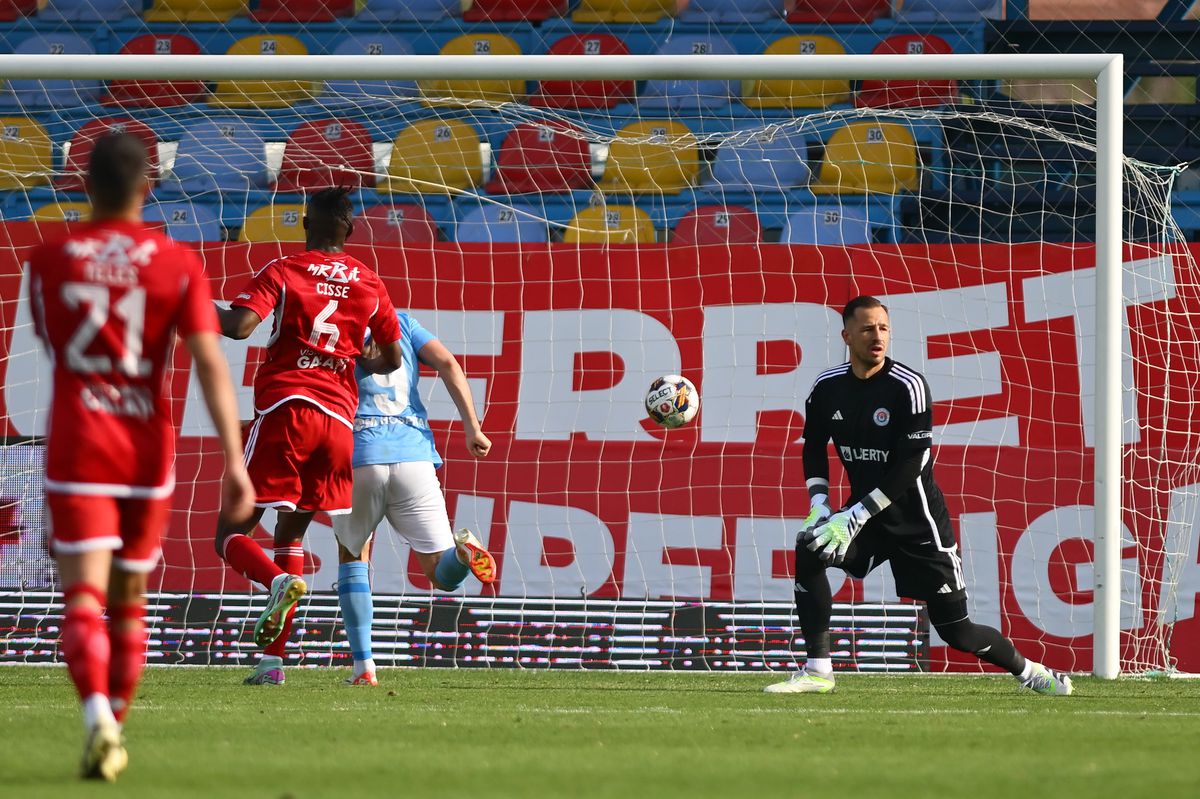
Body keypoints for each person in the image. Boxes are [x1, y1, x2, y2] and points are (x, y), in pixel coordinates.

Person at [27, 133, 256, 781]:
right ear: (147, 187)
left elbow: (53, 342)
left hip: (79, 443)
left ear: (83, 184)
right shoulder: (177, 261)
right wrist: (234, 462)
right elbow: (209, 361)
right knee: (128, 601)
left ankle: (97, 715)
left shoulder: (49, 257)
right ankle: (116, 730)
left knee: (82, 597)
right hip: (145, 450)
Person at [765, 296, 1073, 696]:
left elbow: (913, 462)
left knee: (957, 632)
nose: (877, 336)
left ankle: (1032, 672)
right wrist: (819, 503)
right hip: (867, 519)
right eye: (867, 328)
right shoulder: (827, 387)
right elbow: (813, 447)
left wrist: (855, 514)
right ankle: (818, 670)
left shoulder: (907, 386)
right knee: (810, 548)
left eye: (883, 328)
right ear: (846, 336)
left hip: (918, 524)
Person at [213, 187, 403, 686]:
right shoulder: (370, 282)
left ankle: (276, 582)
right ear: (350, 228)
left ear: (304, 224)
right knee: (290, 535)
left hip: (287, 410)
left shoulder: (285, 269)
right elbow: (392, 358)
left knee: (229, 534)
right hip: (338, 424)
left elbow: (239, 326)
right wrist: (360, 360)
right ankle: (272, 664)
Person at [334, 315, 496, 686]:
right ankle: (463, 555)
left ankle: (363, 668)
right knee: (441, 575)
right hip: (414, 458)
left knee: (353, 556)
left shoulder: (337, 324)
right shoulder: (403, 322)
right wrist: (472, 427)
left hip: (359, 455)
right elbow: (448, 363)